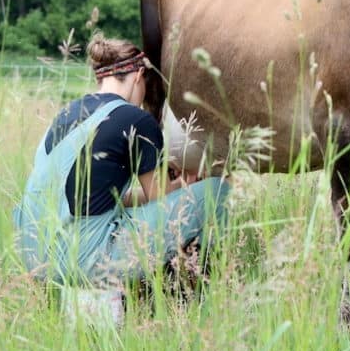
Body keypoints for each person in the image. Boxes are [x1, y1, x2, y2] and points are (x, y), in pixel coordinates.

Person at [14, 33, 228, 290]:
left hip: (35, 256)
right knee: (218, 192)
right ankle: (192, 289)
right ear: (139, 76)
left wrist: (181, 184)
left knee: (125, 213)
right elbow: (160, 197)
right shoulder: (136, 119)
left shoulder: (67, 113)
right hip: (85, 261)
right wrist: (191, 186)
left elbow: (97, 198)